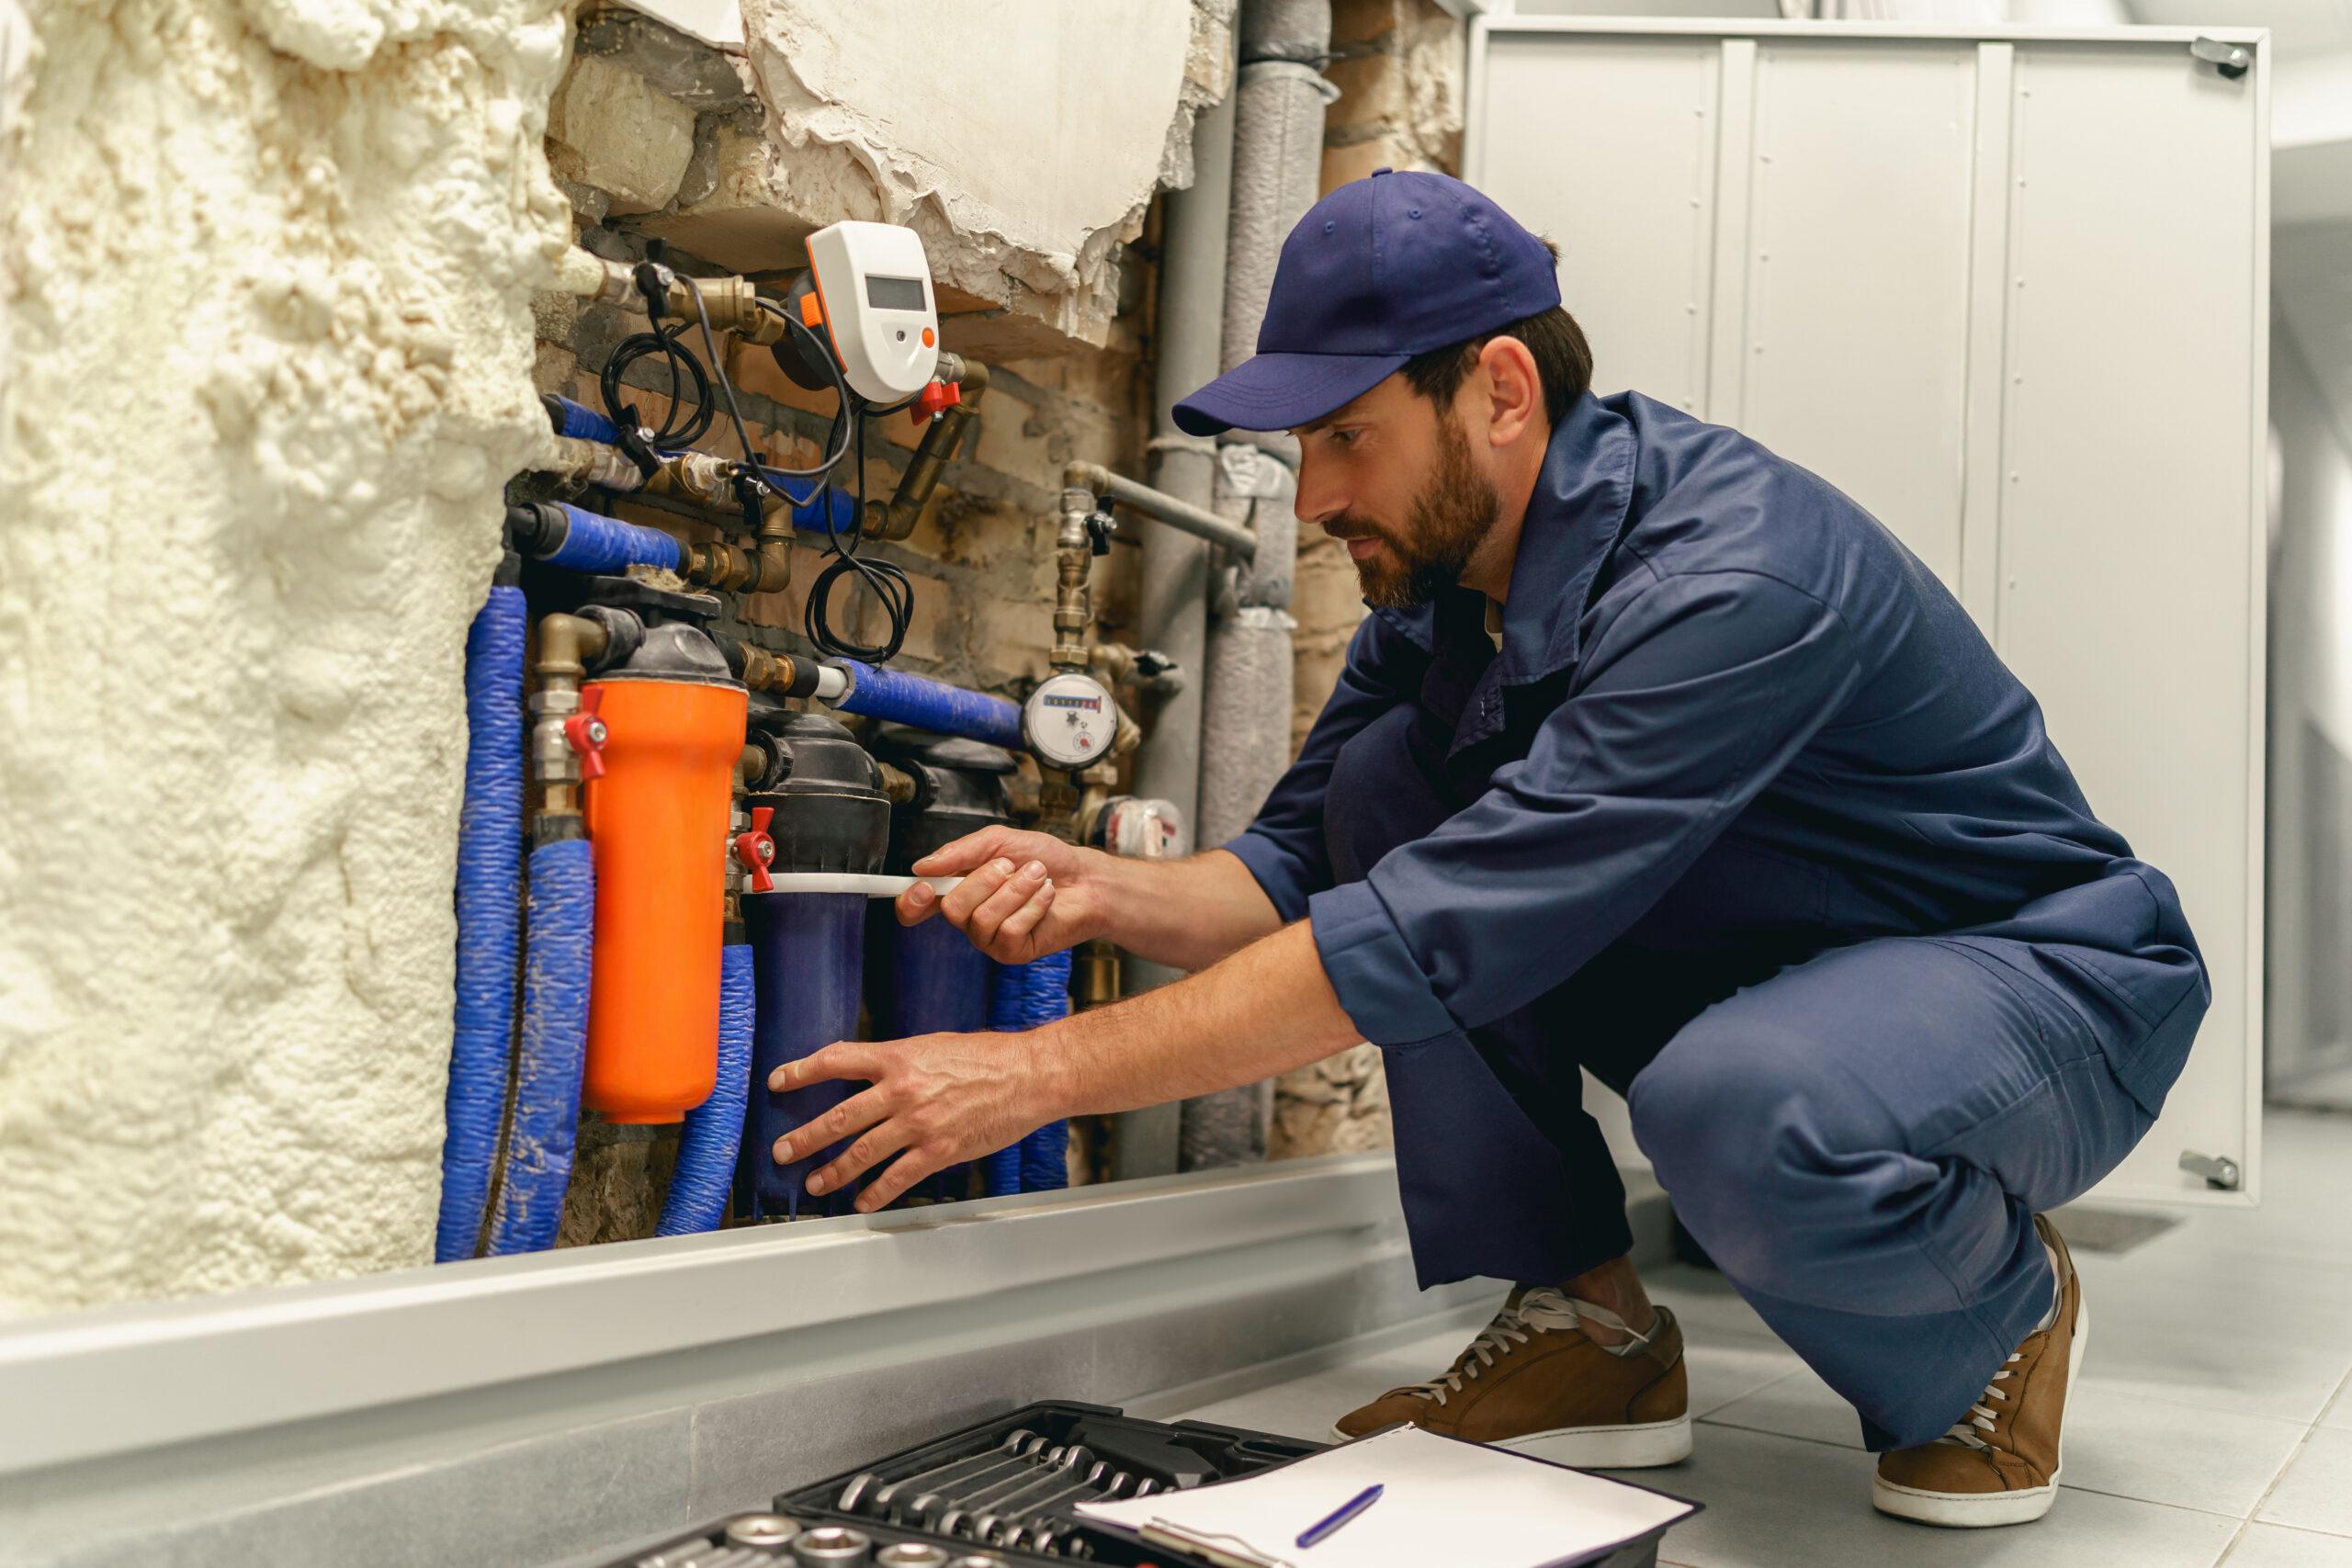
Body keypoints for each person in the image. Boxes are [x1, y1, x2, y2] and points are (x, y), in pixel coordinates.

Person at [762, 169, 2207, 1529]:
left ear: (1500, 393)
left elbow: (1421, 937)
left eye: (1348, 439)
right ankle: (1590, 1327)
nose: (1314, 498)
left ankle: (1992, 1318)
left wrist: (1028, 1075)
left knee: (1736, 1102)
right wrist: (1102, 893)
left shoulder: (1735, 579)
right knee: (1395, 784)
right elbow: (1298, 875)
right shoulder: (1441, 594)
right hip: (1789, 980)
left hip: (2044, 987)